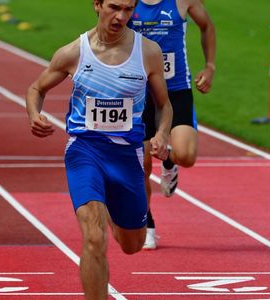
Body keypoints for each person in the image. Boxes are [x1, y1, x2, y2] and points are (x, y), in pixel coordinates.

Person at [26, 0, 173, 298]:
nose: (121, 16)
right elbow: (36, 88)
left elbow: (164, 105)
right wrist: (34, 114)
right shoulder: (74, 52)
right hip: (85, 151)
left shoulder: (148, 52)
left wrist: (161, 133)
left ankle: (112, 209)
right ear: (97, 5)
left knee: (132, 245)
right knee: (94, 239)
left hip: (127, 155)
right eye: (114, 7)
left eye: (129, 9)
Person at [128, 0, 216, 249]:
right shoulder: (128, 3)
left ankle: (168, 161)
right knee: (141, 165)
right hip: (138, 92)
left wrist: (210, 66)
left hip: (176, 89)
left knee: (186, 156)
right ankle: (148, 225)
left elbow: (207, 25)